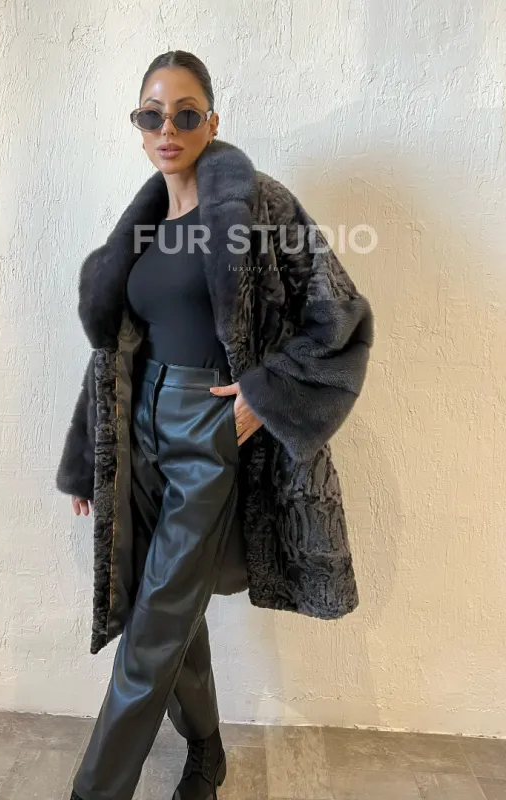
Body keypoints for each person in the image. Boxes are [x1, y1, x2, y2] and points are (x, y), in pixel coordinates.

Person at [57, 50, 374, 800]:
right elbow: (115, 351)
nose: (167, 128)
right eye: (152, 115)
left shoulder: (257, 206)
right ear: (138, 126)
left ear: (211, 120)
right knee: (166, 609)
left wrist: (266, 394)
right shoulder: (140, 226)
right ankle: (207, 751)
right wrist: (88, 453)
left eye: (185, 113)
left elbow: (340, 317)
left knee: (154, 627)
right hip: (138, 428)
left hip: (211, 428)